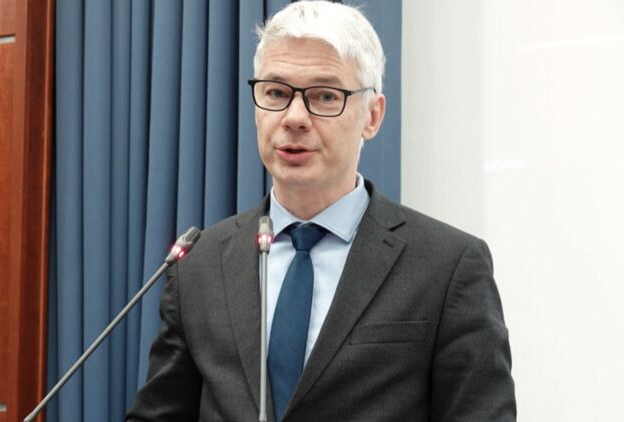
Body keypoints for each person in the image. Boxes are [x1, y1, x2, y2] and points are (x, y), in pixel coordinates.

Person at [127, 1, 516, 421]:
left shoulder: (447, 266)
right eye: (276, 93)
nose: (294, 118)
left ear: (372, 116)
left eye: (325, 96)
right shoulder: (199, 265)